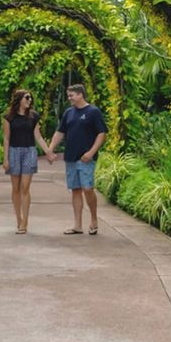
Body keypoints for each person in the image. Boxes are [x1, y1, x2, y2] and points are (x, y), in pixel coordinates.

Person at [47, 83, 107, 235]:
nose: (69, 98)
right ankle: (77, 225)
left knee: (87, 189)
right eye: (68, 95)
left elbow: (102, 134)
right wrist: (50, 149)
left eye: (71, 95)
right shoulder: (68, 113)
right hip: (71, 158)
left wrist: (91, 152)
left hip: (86, 158)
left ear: (80, 94)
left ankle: (94, 219)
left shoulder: (93, 111)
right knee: (75, 190)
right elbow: (60, 132)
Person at [2, 88, 54, 234]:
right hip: (13, 151)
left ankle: (25, 222)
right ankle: (18, 219)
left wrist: (48, 152)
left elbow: (38, 136)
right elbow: (6, 138)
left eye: (30, 98)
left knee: (25, 187)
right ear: (19, 99)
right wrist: (5, 158)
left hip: (29, 151)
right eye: (27, 98)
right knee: (16, 188)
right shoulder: (8, 117)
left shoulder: (33, 116)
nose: (29, 100)